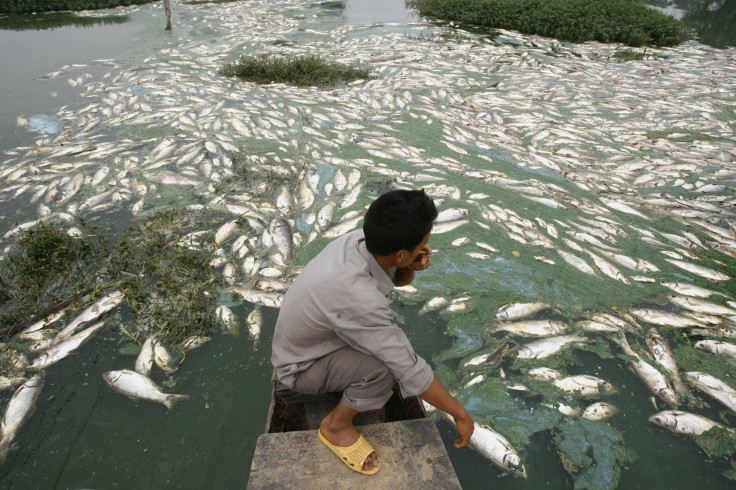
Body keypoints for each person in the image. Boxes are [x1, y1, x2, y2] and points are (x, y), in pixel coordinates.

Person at [271, 189, 474, 475]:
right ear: (400, 253)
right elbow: (409, 368)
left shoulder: (359, 240)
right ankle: (335, 426)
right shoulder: (357, 296)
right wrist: (460, 414)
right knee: (385, 368)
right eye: (422, 246)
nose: (425, 250)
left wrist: (411, 266)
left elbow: (393, 277)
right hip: (300, 366)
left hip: (315, 341)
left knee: (390, 351)